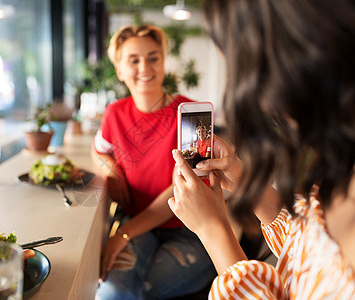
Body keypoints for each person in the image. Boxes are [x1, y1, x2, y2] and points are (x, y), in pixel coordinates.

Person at [168, 0, 355, 298]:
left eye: (239, 70)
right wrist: (241, 177)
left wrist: (212, 229)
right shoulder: (339, 166)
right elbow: (304, 248)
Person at [92, 24, 216, 299]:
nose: (144, 67)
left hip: (189, 231)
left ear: (163, 62)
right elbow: (98, 149)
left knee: (130, 292)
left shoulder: (193, 117)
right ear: (120, 70)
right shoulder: (114, 113)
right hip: (140, 227)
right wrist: (109, 168)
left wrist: (122, 235)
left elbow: (183, 190)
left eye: (153, 57)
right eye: (133, 60)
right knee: (113, 291)